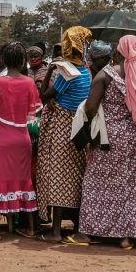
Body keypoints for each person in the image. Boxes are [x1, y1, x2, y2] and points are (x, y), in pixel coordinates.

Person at [76, 35, 136, 250]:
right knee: (130, 185)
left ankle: (87, 233)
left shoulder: (105, 75)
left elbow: (91, 108)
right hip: (135, 136)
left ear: (119, 51)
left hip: (107, 136)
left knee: (96, 181)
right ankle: (126, 237)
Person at [0, 42, 40, 241]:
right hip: (23, 138)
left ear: (3, 60)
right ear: (23, 61)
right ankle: (30, 228)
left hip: (2, 138)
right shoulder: (29, 83)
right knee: (24, 181)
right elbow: (36, 110)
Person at [36, 26, 92, 241]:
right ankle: (76, 225)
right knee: (74, 176)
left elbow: (44, 94)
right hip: (78, 126)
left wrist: (51, 68)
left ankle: (56, 230)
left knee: (58, 178)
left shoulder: (67, 73)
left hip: (61, 127)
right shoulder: (86, 70)